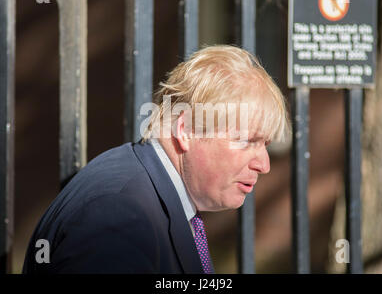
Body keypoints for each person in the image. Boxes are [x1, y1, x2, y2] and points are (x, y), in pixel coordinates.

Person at [22, 45, 290, 274]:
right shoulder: (120, 213)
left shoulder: (148, 197)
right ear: (186, 130)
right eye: (247, 141)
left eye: (265, 144)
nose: (263, 165)